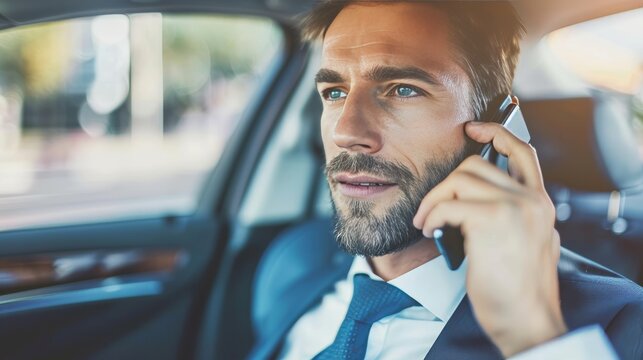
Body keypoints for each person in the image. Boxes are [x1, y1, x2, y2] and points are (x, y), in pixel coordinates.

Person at [249, 1, 643, 359]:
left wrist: (535, 338)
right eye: (334, 92)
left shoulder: (623, 326)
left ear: (496, 123)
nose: (346, 132)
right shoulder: (291, 264)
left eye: (403, 89)